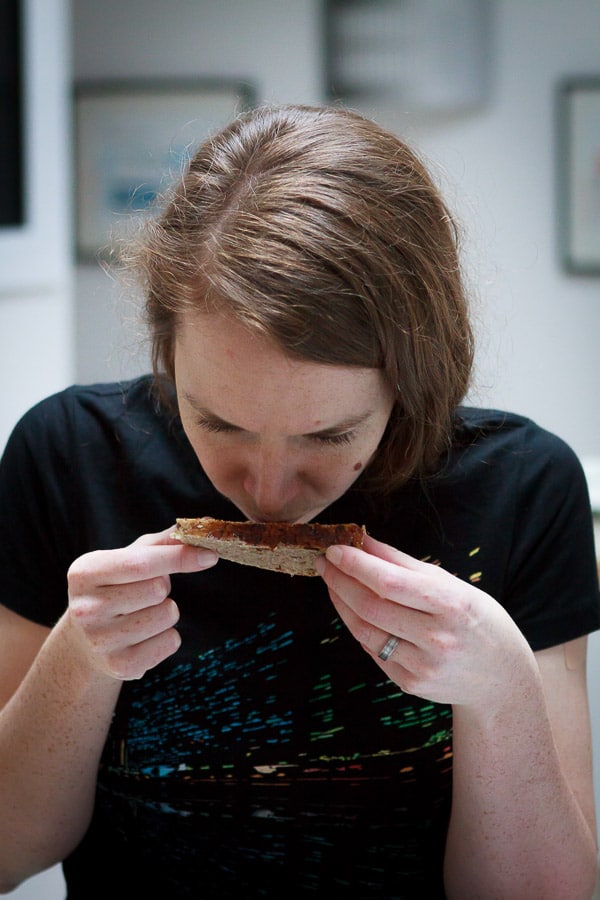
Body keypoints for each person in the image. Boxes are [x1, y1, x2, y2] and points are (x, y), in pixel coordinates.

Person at [0, 103, 598, 900]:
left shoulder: (524, 486)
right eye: (216, 420)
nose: (269, 491)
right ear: (165, 348)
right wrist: (79, 654)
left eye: (327, 436)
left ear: (415, 378)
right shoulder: (67, 453)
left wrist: (502, 690)